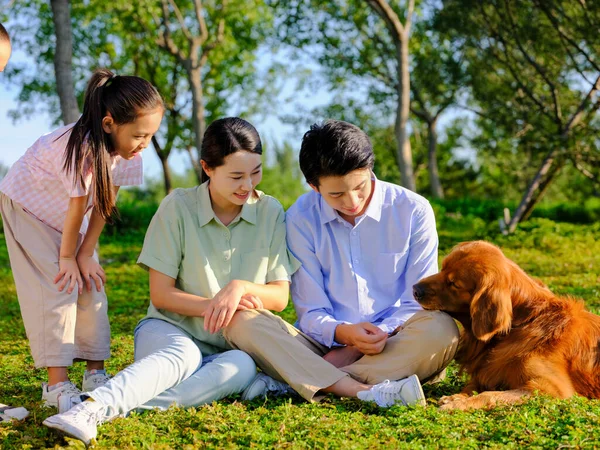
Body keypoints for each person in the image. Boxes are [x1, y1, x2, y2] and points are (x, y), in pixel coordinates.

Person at [43, 117, 301, 446]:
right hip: (169, 329)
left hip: (228, 345)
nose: (247, 185)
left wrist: (241, 289)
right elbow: (161, 295)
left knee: (243, 366)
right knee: (185, 356)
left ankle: (96, 405)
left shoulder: (270, 211)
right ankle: (92, 410)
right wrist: (215, 305)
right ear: (207, 167)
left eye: (256, 172)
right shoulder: (178, 207)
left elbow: (279, 297)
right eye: (236, 176)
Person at [221, 119, 460, 407]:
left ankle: (298, 382)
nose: (353, 201)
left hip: (395, 339)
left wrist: (371, 340)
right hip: (323, 345)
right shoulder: (300, 218)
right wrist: (344, 335)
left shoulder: (412, 210)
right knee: (242, 321)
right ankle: (368, 387)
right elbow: (311, 312)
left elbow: (418, 301)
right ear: (313, 186)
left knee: (442, 329)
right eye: (336, 194)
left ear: (370, 168)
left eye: (360, 187)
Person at [0, 68, 164, 411]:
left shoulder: (130, 153)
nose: (144, 144)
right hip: (29, 207)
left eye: (150, 135)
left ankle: (95, 373)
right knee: (58, 285)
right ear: (109, 124)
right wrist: (66, 258)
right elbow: (75, 207)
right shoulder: (78, 147)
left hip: (71, 215)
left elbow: (103, 204)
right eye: (139, 135)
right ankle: (56, 385)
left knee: (90, 280)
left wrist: (86, 254)